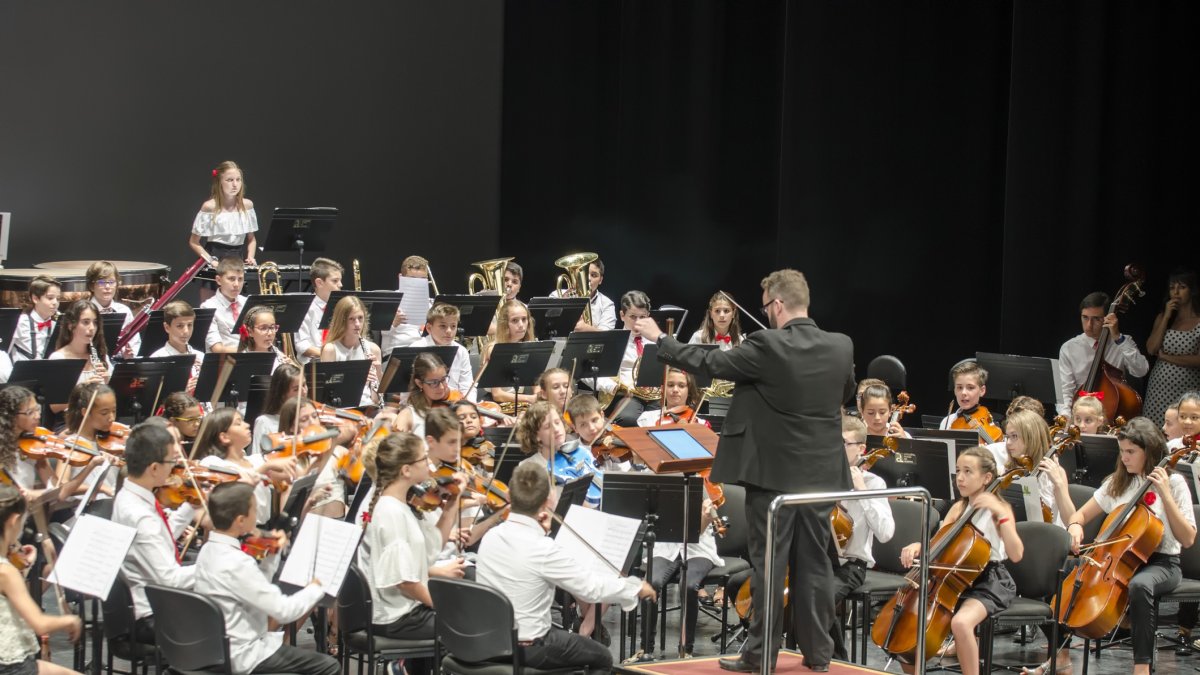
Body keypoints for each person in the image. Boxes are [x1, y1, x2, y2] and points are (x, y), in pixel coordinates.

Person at [635, 268, 854, 672]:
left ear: (776, 305)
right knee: (816, 566)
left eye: (766, 306)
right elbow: (843, 393)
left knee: (769, 566)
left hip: (772, 476)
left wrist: (661, 340)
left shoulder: (767, 344)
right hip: (821, 475)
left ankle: (759, 656)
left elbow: (710, 361)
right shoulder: (841, 346)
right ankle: (820, 654)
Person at [1032, 418, 1196, 675]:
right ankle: (1060, 655)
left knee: (1140, 585)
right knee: (1055, 572)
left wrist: (1164, 494)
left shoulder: (1174, 484)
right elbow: (1080, 516)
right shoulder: (1117, 482)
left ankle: (1141, 666)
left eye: (1131, 452)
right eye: (1122, 451)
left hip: (1162, 562)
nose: (1125, 458)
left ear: (1150, 450)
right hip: (1119, 559)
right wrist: (1075, 525)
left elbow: (1187, 539)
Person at [476, 461, 656, 675]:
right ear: (548, 502)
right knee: (602, 657)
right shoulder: (542, 548)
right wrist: (635, 587)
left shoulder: (491, 536)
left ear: (509, 497)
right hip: (528, 646)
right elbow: (591, 588)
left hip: (486, 642)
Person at [896, 447, 1023, 675]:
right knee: (913, 619)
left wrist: (1001, 515)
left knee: (961, 623)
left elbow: (1016, 554)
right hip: (953, 577)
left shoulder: (999, 509)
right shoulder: (959, 507)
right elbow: (938, 543)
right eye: (958, 471)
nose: (960, 478)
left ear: (987, 478)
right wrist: (919, 546)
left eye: (968, 471)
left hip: (989, 580)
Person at [194, 482, 338, 675]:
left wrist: (272, 554)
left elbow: (257, 584)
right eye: (255, 509)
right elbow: (284, 611)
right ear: (240, 521)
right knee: (329, 666)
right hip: (244, 654)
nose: (258, 514)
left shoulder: (208, 550)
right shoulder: (238, 562)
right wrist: (316, 587)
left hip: (216, 647)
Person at [357, 432, 464, 675]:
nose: (429, 464)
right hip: (397, 618)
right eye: (423, 459)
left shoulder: (401, 505)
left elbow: (430, 549)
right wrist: (440, 605)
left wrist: (451, 506)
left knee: (470, 611)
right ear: (406, 470)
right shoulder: (391, 512)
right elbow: (405, 582)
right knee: (470, 626)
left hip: (406, 611)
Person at [113, 421, 198, 644]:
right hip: (154, 615)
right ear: (153, 468)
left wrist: (192, 504)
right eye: (171, 461)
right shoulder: (141, 517)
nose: (175, 467)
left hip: (152, 601)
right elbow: (171, 580)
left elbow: (162, 537)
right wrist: (216, 563)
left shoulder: (129, 495)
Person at [828, 416, 894, 661]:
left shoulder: (874, 482)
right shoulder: (823, 478)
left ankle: (838, 661)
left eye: (843, 443)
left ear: (861, 449)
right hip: (819, 558)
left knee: (821, 597)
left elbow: (886, 533)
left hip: (851, 566)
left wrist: (862, 492)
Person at [0, 484, 82, 675]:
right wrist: (70, 621)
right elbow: (39, 623)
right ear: (14, 520)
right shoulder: (6, 572)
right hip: (11, 667)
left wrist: (23, 568)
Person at [1057, 291, 1150, 417]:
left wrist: (1117, 338)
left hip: (1112, 412)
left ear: (1108, 318)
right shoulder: (1069, 348)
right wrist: (1067, 419)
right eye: (1085, 317)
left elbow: (1141, 370)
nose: (1089, 325)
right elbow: (1065, 391)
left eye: (1096, 319)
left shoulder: (1122, 342)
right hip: (1079, 415)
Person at [188, 161, 257, 303]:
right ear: (220, 182)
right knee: (210, 307)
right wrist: (212, 262)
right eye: (230, 180)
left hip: (237, 258)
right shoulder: (209, 207)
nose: (235, 184)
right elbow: (194, 242)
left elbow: (251, 239)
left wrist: (251, 257)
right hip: (215, 256)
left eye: (238, 180)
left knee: (237, 306)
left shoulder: (247, 205)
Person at [517, 402, 602, 508]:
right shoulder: (529, 468)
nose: (556, 429)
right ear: (535, 436)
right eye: (548, 426)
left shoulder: (579, 452)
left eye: (557, 422)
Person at [596, 291, 659, 428]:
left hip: (652, 395)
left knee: (664, 417)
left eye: (642, 317)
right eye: (633, 317)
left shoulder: (655, 340)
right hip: (623, 394)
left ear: (648, 316)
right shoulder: (612, 341)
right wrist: (613, 387)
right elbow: (591, 372)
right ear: (622, 315)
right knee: (628, 419)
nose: (638, 322)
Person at [1145, 270, 1200, 425]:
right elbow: (1152, 349)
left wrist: (1168, 357)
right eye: (1171, 288)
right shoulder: (1164, 317)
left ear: (1192, 291)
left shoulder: (1198, 322)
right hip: (1159, 389)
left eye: (1181, 287)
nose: (1175, 292)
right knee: (1155, 431)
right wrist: (1167, 317)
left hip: (1187, 389)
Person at [320, 296, 382, 408]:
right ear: (341, 321)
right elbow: (327, 396)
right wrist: (357, 379)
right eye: (351, 319)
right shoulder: (331, 350)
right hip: (342, 410)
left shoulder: (373, 349)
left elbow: (376, 400)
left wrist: (378, 372)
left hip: (368, 408)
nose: (357, 324)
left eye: (360, 318)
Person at [409, 302, 475, 401]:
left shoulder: (461, 351)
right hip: (424, 404)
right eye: (443, 326)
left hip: (455, 403)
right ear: (429, 328)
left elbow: (467, 386)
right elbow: (409, 390)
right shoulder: (416, 349)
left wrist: (469, 406)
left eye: (453, 326)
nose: (449, 331)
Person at [483, 299, 539, 412]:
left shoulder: (530, 346)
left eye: (524, 319)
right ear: (505, 324)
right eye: (515, 320)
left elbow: (535, 382)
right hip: (496, 405)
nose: (521, 325)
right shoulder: (493, 349)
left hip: (521, 402)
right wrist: (529, 399)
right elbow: (497, 394)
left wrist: (538, 395)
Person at [48, 299, 111, 386]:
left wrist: (108, 382)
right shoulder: (58, 358)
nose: (92, 328)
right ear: (70, 325)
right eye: (86, 322)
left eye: (95, 322)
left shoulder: (102, 356)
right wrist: (82, 389)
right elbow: (56, 397)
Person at [293, 257, 344, 365]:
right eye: (335, 281)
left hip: (339, 361)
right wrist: (328, 355)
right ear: (319, 283)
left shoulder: (341, 307)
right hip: (313, 365)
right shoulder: (306, 308)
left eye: (340, 280)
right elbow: (302, 345)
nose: (340, 285)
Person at [85, 261, 139, 359]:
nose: (107, 287)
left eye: (111, 282)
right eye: (101, 282)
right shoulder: (83, 311)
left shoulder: (124, 311)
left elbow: (135, 343)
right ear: (92, 286)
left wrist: (129, 354)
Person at [151, 300, 204, 394]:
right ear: (167, 327)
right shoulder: (158, 359)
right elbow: (154, 398)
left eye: (190, 325)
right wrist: (182, 391)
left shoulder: (200, 356)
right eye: (180, 326)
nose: (186, 331)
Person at [550, 257, 616, 332]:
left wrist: (585, 328)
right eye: (584, 273)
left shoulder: (607, 304)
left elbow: (606, 335)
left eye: (594, 275)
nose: (588, 278)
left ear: (600, 280)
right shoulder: (556, 295)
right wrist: (562, 303)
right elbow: (548, 324)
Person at [251, 364, 305, 454]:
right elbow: (257, 458)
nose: (304, 391)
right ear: (282, 394)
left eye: (304, 385)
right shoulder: (264, 422)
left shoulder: (308, 418)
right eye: (296, 389)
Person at [201, 257, 248, 353]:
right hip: (225, 363)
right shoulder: (208, 307)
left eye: (240, 279)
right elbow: (217, 349)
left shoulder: (247, 302)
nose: (236, 284)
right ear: (218, 280)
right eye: (231, 279)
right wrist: (249, 352)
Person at [9, 275, 60, 363]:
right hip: (22, 373)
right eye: (50, 298)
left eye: (58, 298)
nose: (55, 303)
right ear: (35, 298)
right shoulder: (21, 321)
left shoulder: (57, 323)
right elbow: (5, 352)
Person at [237, 306, 290, 373]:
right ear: (249, 331)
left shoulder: (279, 355)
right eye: (263, 328)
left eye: (272, 327)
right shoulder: (242, 361)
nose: (270, 333)